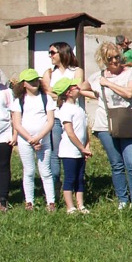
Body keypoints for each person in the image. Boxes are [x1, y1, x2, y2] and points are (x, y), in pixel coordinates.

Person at [88, 43, 132, 211]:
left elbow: (129, 93)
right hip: (105, 124)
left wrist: (108, 84)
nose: (114, 61)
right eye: (110, 58)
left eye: (117, 57)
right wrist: (97, 94)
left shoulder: (131, 73)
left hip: (127, 121)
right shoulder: (97, 76)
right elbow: (81, 87)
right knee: (117, 164)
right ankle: (122, 199)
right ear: (103, 60)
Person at [41, 41, 85, 189]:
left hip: (72, 117)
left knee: (74, 148)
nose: (50, 56)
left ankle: (73, 184)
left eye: (53, 53)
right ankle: (55, 186)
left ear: (63, 53)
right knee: (55, 152)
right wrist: (63, 91)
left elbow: (76, 90)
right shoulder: (49, 73)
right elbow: (48, 91)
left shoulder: (76, 70)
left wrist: (57, 91)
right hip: (55, 116)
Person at [11, 69, 56, 211]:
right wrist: (31, 139)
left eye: (36, 80)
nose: (34, 83)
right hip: (25, 140)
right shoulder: (19, 101)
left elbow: (50, 121)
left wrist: (39, 138)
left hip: (44, 140)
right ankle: (29, 202)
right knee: (29, 171)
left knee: (46, 171)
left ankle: (51, 202)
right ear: (23, 84)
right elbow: (17, 124)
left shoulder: (46, 98)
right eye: (30, 81)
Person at [53, 79, 91, 214]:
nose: (78, 88)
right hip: (69, 151)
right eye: (75, 86)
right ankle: (70, 206)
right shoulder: (65, 109)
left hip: (81, 150)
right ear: (68, 92)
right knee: (70, 178)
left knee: (80, 178)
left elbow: (84, 129)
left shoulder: (78, 108)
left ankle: (81, 205)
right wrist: (81, 147)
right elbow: (70, 132)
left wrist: (87, 145)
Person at [0, 73, 14, 212]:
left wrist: (14, 134)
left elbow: (14, 113)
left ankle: (2, 199)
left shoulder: (6, 91)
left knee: (3, 166)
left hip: (4, 135)